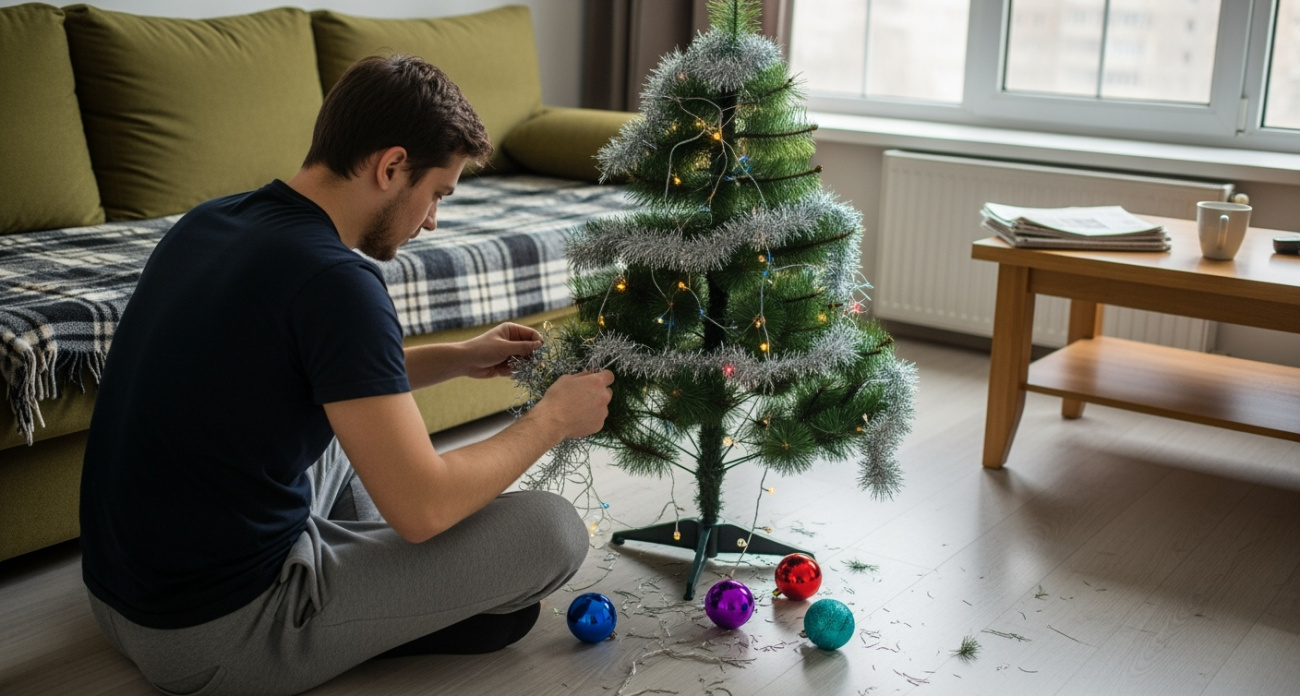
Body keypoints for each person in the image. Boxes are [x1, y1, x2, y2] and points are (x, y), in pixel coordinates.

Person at [79, 54, 615, 696]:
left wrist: (459, 355)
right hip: (210, 636)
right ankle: (357, 600)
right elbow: (424, 508)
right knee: (551, 531)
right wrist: (552, 419)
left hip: (117, 601)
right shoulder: (338, 281)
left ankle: (362, 573)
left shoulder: (214, 220)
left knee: (344, 428)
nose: (432, 220)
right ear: (391, 167)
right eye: (437, 193)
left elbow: (295, 373)